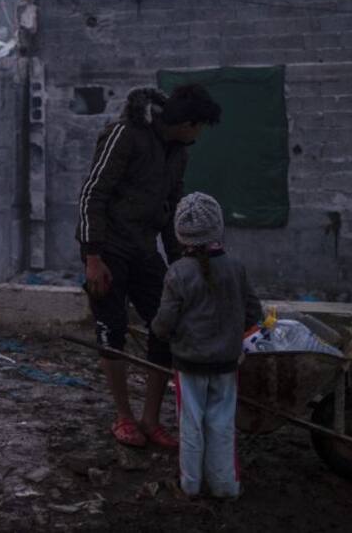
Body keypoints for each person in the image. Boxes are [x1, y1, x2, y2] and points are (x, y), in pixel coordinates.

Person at [77, 84, 222, 448]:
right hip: (108, 249)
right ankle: (124, 417)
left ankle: (151, 420)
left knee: (165, 328)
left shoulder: (179, 154)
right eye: (199, 127)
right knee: (112, 332)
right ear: (187, 122)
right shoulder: (127, 134)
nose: (199, 135)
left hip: (144, 250)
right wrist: (92, 256)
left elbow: (172, 209)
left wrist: (181, 264)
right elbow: (93, 193)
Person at [152, 192, 262, 499]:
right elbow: (254, 313)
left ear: (180, 234)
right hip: (227, 364)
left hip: (189, 365)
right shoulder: (236, 268)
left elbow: (165, 321)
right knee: (222, 424)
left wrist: (158, 332)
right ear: (218, 228)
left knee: (191, 426)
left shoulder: (178, 272)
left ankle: (190, 485)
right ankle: (225, 486)